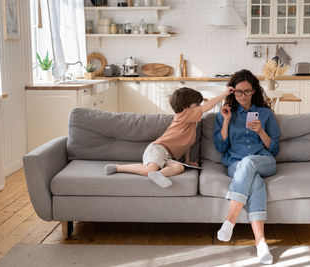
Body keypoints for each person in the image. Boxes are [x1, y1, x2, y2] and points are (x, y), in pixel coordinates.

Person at [213, 69, 280, 265]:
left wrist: (260, 131)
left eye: (247, 91)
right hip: (235, 164)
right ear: (232, 92)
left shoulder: (266, 114)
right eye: (238, 92)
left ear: (253, 91)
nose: (243, 96)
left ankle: (230, 221)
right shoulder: (225, 114)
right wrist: (225, 121)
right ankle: (261, 244)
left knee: (249, 162)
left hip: (263, 161)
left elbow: (274, 148)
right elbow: (221, 147)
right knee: (256, 183)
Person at [105, 86, 233, 188]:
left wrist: (187, 161)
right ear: (186, 107)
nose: (199, 107)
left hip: (168, 156)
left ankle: (157, 175)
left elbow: (186, 145)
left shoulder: (192, 124)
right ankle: (117, 167)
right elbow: (207, 107)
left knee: (180, 167)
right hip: (158, 149)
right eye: (196, 105)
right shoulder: (184, 115)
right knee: (149, 169)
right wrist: (224, 94)